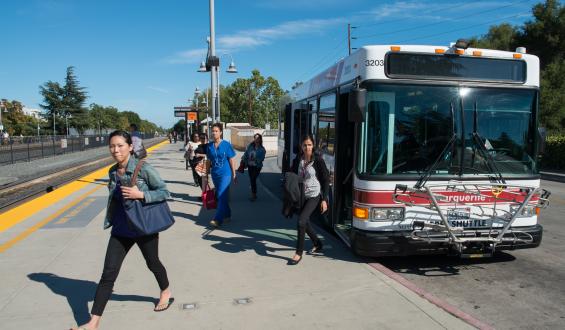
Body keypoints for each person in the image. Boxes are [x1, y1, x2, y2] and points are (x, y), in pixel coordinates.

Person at [72, 130, 173, 330]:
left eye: (119, 145)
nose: (115, 150)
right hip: (120, 229)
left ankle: (166, 291)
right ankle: (93, 323)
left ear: (129, 147)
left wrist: (141, 194)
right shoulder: (111, 171)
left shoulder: (143, 168)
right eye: (112, 146)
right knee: (108, 274)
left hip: (143, 227)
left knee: (152, 262)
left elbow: (164, 191)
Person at [288, 134, 329, 265]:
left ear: (313, 145)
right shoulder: (297, 160)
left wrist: (324, 199)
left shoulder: (318, 160)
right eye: (305, 145)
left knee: (301, 221)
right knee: (305, 222)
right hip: (301, 195)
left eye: (310, 144)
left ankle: (298, 253)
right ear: (301, 146)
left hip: (314, 195)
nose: (307, 147)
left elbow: (326, 179)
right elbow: (292, 176)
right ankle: (318, 243)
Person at [206, 123, 237, 227]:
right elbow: (209, 161)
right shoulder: (209, 146)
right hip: (215, 174)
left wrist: (234, 174)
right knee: (222, 195)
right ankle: (227, 214)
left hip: (226, 174)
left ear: (220, 132)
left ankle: (217, 219)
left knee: (220, 195)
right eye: (213, 131)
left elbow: (231, 159)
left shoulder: (226, 145)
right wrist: (206, 174)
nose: (214, 133)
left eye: (216, 131)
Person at [241, 133, 266, 201]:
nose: (256, 139)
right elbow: (246, 153)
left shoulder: (262, 149)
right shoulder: (250, 146)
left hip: (257, 166)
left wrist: (255, 159)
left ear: (260, 139)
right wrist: (244, 159)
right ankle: (253, 194)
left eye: (258, 138)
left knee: (253, 178)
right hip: (250, 165)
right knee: (252, 179)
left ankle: (253, 194)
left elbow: (262, 158)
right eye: (255, 138)